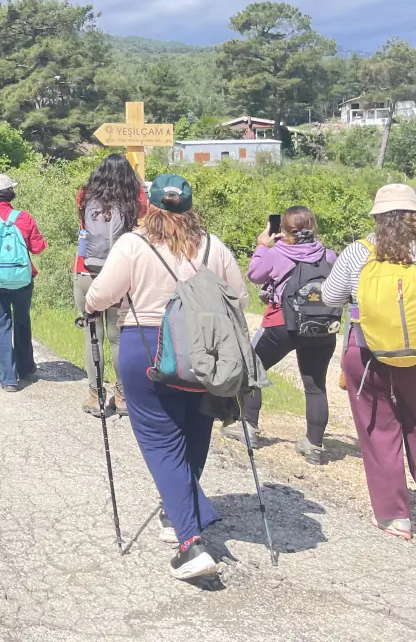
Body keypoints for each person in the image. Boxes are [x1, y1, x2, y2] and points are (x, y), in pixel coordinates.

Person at [85, 174, 248, 580]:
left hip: (147, 346)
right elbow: (240, 298)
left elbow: (101, 294)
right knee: (195, 431)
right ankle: (176, 515)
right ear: (190, 208)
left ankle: (190, 543)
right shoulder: (213, 246)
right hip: (204, 351)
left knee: (162, 443)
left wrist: (90, 307)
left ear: (149, 206)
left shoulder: (133, 244)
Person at [322, 183, 416, 541]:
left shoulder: (358, 251)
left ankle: (395, 517)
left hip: (365, 354)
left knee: (379, 431)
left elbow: (331, 296)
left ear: (377, 217)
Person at [232, 206, 337, 463]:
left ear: (283, 229)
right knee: (315, 385)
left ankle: (249, 428)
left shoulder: (277, 253)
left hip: (282, 324)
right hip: (321, 327)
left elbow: (255, 275)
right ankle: (314, 445)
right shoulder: (329, 255)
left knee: (251, 369)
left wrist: (262, 244)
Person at [74, 154, 147, 418]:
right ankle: (123, 397)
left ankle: (95, 396)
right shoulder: (134, 200)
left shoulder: (84, 196)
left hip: (86, 271)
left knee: (92, 335)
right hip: (120, 273)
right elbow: (144, 214)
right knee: (118, 338)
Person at [0, 174, 46, 390]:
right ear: (10, 193)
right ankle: (26, 368)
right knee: (22, 320)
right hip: (22, 278)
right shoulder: (24, 217)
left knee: (1, 323)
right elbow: (38, 247)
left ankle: (8, 378)